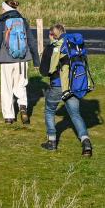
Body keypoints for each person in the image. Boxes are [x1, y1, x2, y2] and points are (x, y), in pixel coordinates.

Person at [38, 25, 93, 156]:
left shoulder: (53, 47)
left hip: (58, 85)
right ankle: (86, 143)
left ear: (52, 34)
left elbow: (44, 72)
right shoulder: (75, 45)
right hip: (74, 85)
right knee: (75, 114)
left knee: (50, 110)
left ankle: (51, 141)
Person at [0, 0, 32, 125]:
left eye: (2, 8)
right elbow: (31, 40)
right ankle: (23, 106)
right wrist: (35, 59)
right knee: (21, 84)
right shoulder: (23, 21)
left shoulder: (2, 22)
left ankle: (9, 116)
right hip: (22, 59)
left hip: (6, 59)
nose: (1, 10)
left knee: (6, 87)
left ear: (5, 8)